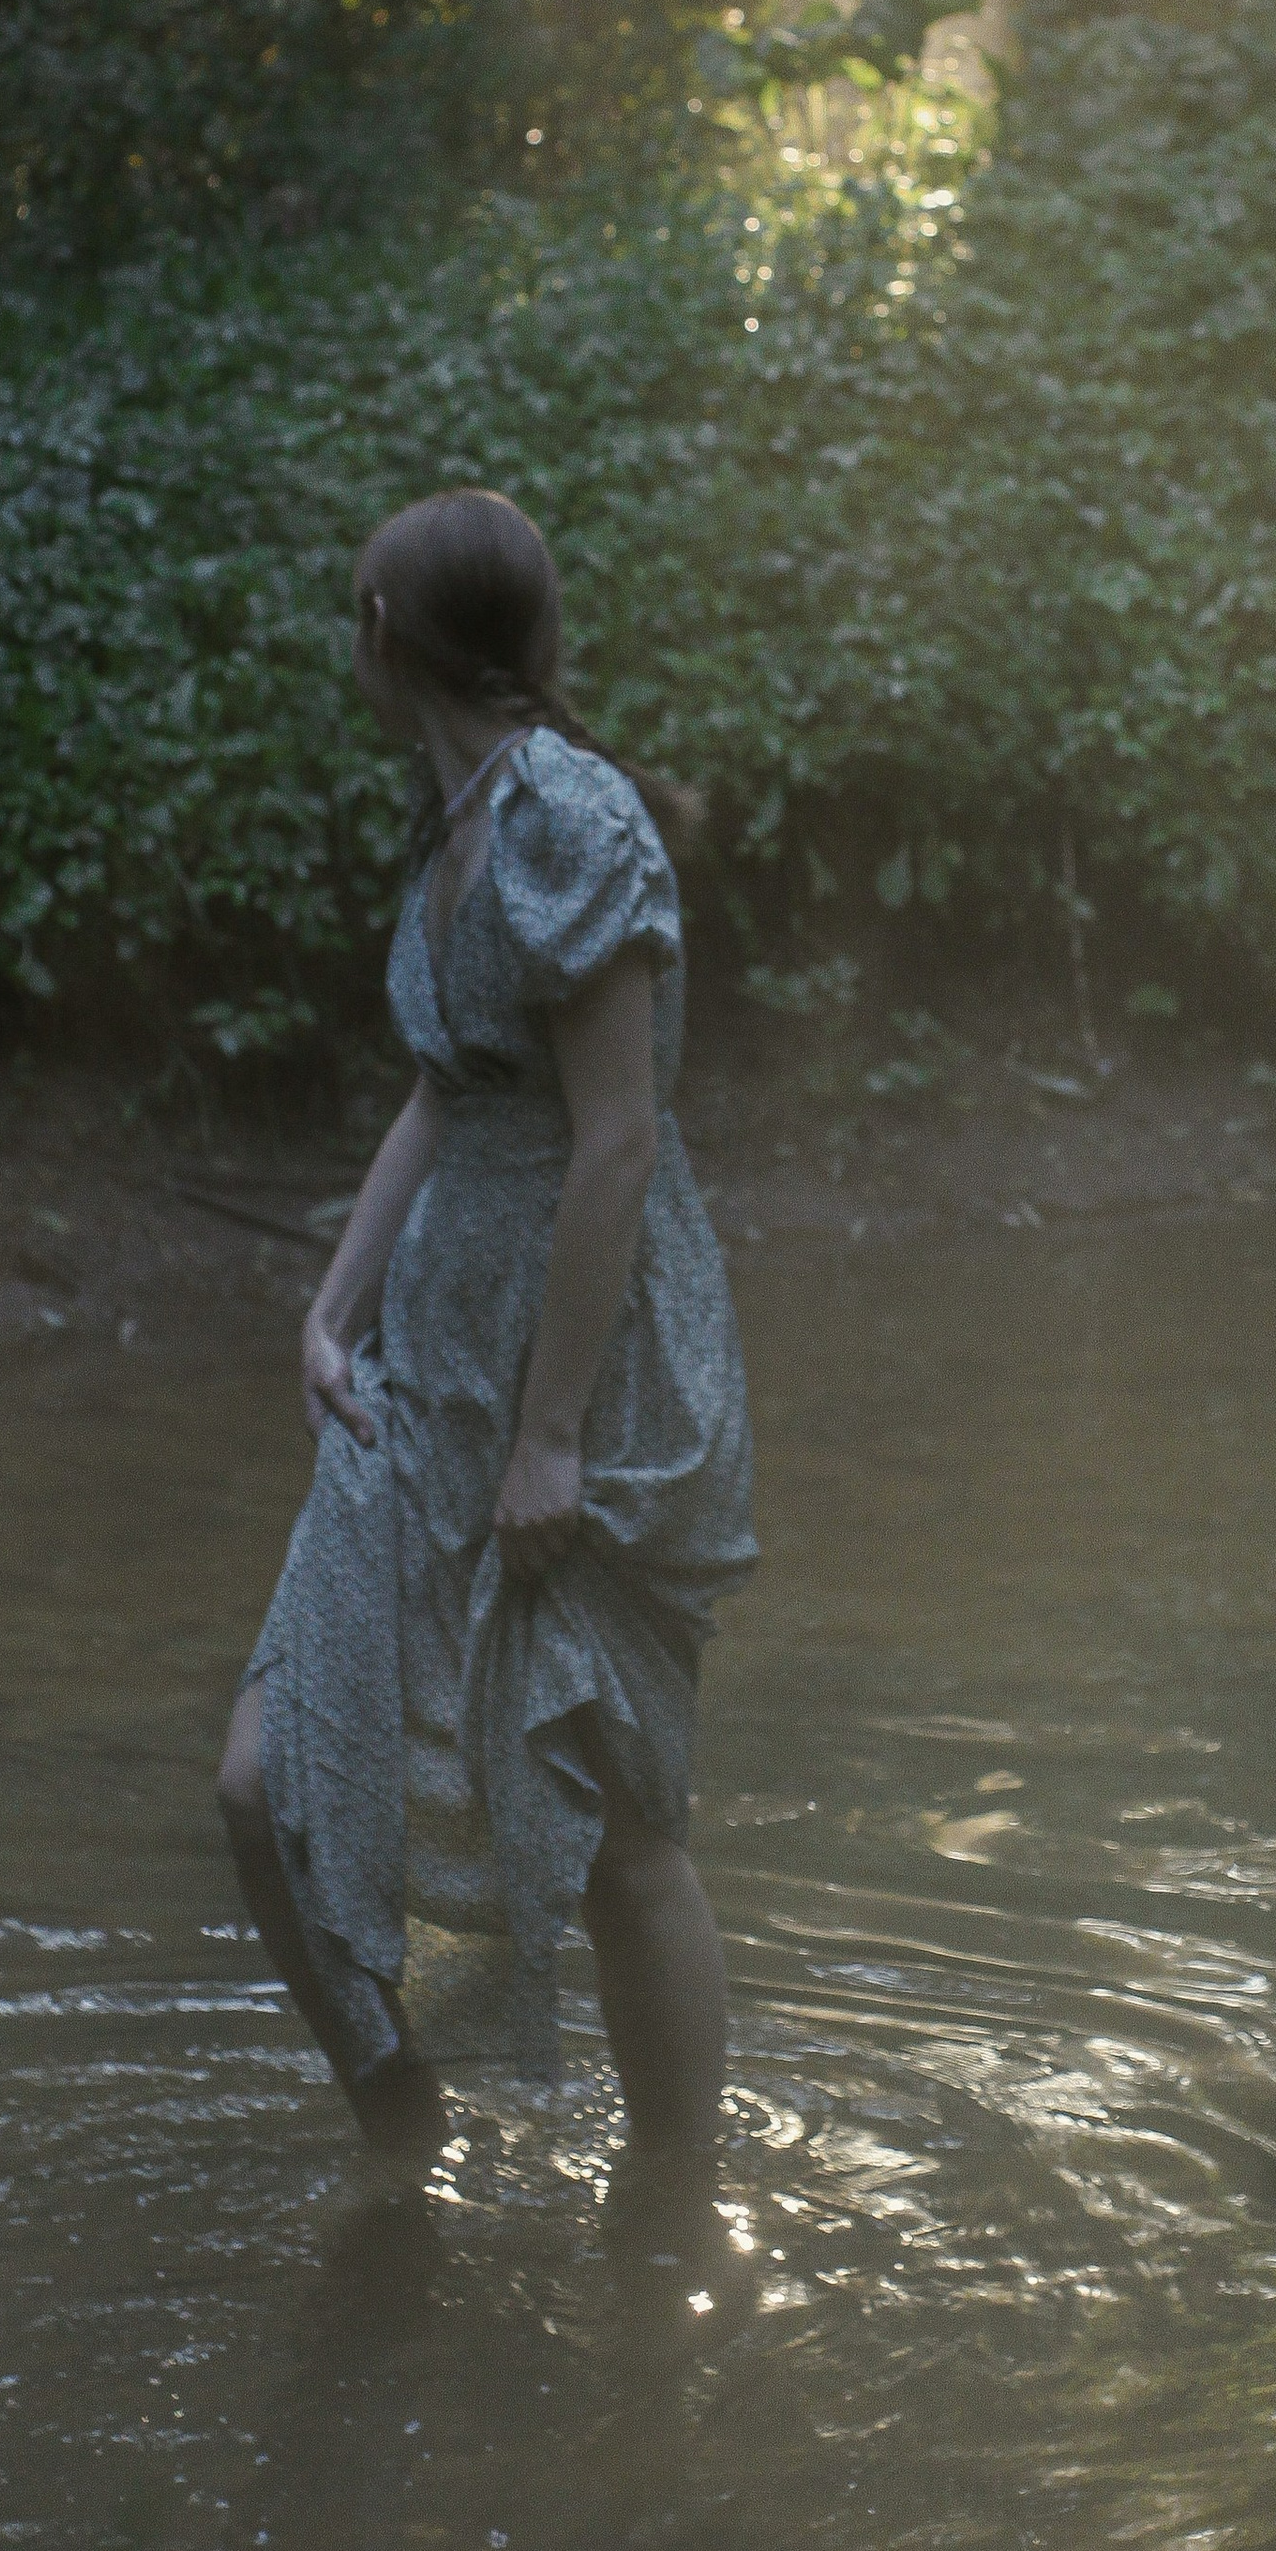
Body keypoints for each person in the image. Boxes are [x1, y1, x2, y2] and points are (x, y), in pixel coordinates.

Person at [216, 488, 755, 2178]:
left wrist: (550, 1436)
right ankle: (404, 2123)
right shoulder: (454, 813)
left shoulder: (569, 818)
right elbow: (452, 1089)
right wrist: (333, 1297)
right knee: (260, 1779)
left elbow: (617, 1138)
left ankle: (677, 2203)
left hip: (580, 1372)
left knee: (623, 1844)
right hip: (430, 1363)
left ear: (385, 633)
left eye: (346, 620)